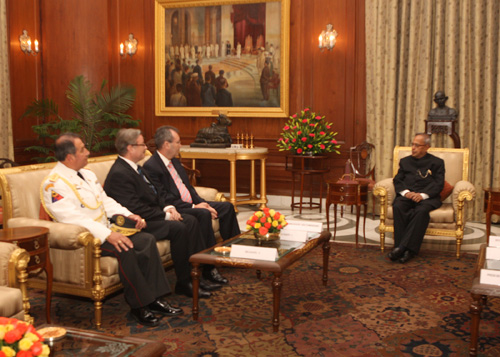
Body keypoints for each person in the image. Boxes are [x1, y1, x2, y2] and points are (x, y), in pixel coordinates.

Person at [40, 133, 183, 327]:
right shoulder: (54, 184)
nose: (88, 152)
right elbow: (71, 217)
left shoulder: (88, 174)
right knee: (126, 248)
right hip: (89, 238)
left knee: (146, 239)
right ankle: (139, 306)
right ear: (69, 157)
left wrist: (129, 214)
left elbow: (105, 202)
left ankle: (156, 299)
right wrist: (108, 235)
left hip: (107, 229)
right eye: (83, 149)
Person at [103, 129, 224, 298]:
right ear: (130, 148)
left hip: (152, 215)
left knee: (190, 220)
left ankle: (195, 274)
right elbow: (135, 208)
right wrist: (165, 215)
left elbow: (157, 194)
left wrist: (168, 207)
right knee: (179, 227)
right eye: (142, 144)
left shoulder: (137, 168)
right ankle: (184, 282)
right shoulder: (119, 173)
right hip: (138, 223)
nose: (146, 147)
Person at [144, 125, 241, 283]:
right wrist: (195, 207)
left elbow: (189, 189)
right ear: (167, 144)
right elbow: (164, 198)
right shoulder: (151, 167)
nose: (180, 145)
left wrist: (204, 203)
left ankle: (233, 255)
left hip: (191, 204)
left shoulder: (174, 162)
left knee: (226, 207)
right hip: (178, 208)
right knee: (202, 214)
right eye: (178, 142)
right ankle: (209, 267)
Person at [388, 133, 445, 264]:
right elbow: (397, 180)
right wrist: (406, 193)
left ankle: (401, 248)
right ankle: (407, 250)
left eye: (417, 145)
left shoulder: (437, 163)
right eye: (412, 144)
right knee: (398, 206)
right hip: (407, 196)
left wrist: (422, 195)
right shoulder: (405, 161)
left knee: (421, 212)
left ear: (426, 147)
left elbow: (439, 184)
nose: (413, 148)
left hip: (427, 198)